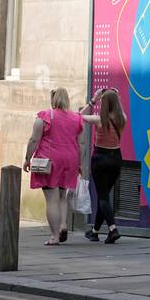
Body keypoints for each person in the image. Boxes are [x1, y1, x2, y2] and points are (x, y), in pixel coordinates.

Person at [23, 87, 92, 246]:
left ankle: (54, 236)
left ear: (53, 99)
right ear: (67, 99)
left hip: (49, 160)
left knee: (51, 200)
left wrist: (27, 159)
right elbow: (82, 143)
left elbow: (34, 140)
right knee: (62, 196)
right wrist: (80, 163)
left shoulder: (45, 116)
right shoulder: (76, 118)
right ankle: (63, 225)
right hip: (70, 160)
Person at [81, 87, 126, 243]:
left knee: (103, 196)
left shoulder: (99, 119)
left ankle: (113, 229)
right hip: (116, 159)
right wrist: (116, 96)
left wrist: (93, 100)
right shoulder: (123, 118)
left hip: (100, 158)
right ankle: (95, 231)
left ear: (104, 103)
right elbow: (118, 106)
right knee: (104, 196)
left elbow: (80, 116)